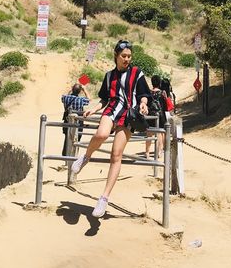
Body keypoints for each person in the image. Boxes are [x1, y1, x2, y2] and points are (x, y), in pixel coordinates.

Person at [70, 40, 150, 218]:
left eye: (129, 56)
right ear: (116, 56)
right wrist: (94, 108)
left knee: (116, 155)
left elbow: (145, 94)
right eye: (123, 56)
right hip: (112, 109)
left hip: (129, 114)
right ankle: (85, 157)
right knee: (101, 134)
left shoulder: (137, 73)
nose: (127, 59)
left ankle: (104, 198)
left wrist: (143, 105)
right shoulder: (108, 76)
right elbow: (104, 99)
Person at [60, 83, 90, 157]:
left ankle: (65, 156)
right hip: (78, 122)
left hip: (67, 120)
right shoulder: (80, 99)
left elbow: (64, 96)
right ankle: (74, 156)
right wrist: (85, 90)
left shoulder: (65, 98)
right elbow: (89, 100)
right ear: (80, 91)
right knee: (77, 138)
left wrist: (70, 89)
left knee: (67, 137)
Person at [145, 74, 167, 160]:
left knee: (149, 134)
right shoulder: (162, 93)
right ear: (159, 83)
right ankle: (159, 152)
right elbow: (165, 106)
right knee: (160, 133)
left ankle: (147, 152)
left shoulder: (148, 92)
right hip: (160, 115)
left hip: (150, 115)